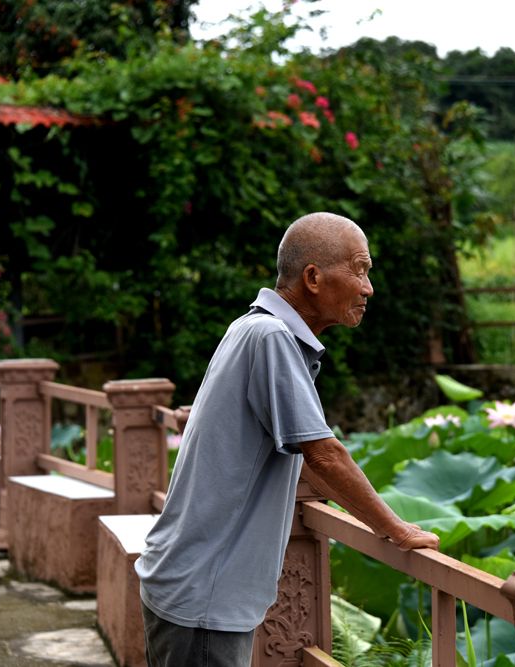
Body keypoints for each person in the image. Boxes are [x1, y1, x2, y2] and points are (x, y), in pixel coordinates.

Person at [135, 212, 440, 666]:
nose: (368, 288)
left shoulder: (250, 327)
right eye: (359, 270)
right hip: (205, 597)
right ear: (313, 278)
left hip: (189, 583)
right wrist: (396, 529)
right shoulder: (271, 337)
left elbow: (293, 450)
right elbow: (324, 454)